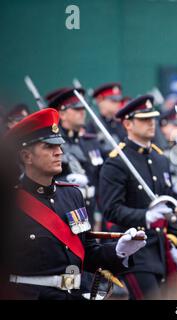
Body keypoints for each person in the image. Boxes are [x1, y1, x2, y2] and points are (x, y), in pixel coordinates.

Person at [6, 108, 146, 300]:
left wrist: (119, 251)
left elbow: (87, 253)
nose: (59, 152)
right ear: (26, 156)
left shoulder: (72, 195)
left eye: (59, 145)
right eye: (49, 147)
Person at [99, 95, 177, 299]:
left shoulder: (160, 158)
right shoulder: (117, 161)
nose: (151, 123)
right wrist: (144, 216)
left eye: (153, 118)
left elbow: (169, 206)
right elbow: (111, 209)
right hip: (135, 250)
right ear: (128, 123)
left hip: (161, 248)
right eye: (144, 119)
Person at [46, 88, 103, 224]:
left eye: (83, 108)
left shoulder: (89, 141)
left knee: (89, 243)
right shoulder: (54, 142)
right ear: (63, 114)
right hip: (65, 209)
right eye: (77, 109)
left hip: (91, 208)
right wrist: (66, 179)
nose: (82, 112)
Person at [86, 83, 127, 155]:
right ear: (100, 100)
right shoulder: (91, 127)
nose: (118, 103)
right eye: (113, 100)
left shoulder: (122, 124)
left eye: (119, 100)